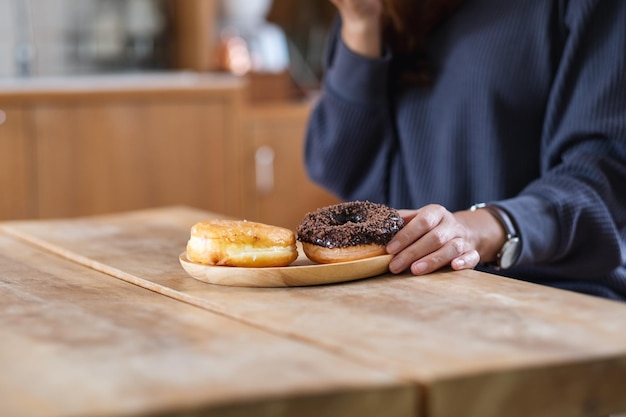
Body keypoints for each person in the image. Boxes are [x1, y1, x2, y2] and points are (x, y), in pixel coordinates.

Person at [303, 0, 626, 300]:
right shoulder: (384, 8)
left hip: (548, 294)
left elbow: (606, 174)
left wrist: (478, 229)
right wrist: (362, 23)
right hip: (405, 292)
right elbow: (337, 167)